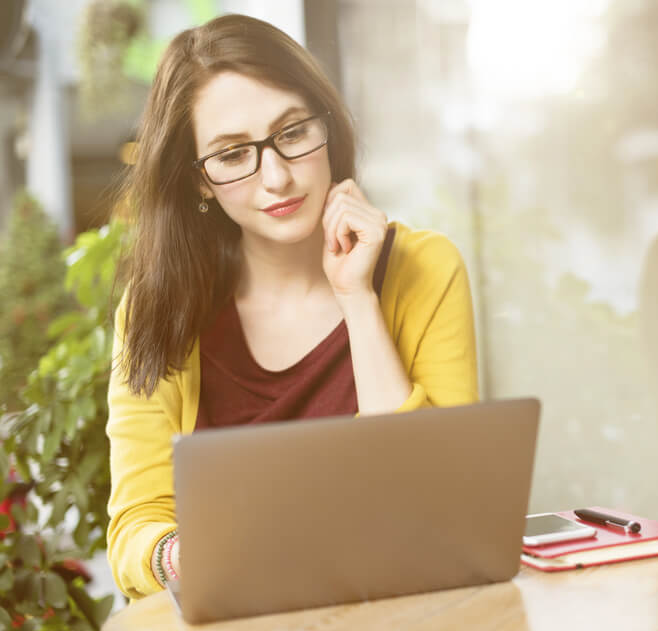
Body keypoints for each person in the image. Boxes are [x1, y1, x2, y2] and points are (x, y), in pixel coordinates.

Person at [106, 14, 478, 600]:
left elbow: (443, 506)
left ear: (326, 125)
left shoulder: (424, 268)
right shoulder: (157, 309)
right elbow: (134, 526)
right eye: (232, 156)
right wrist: (190, 556)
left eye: (293, 133)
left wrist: (358, 299)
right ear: (199, 181)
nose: (276, 176)